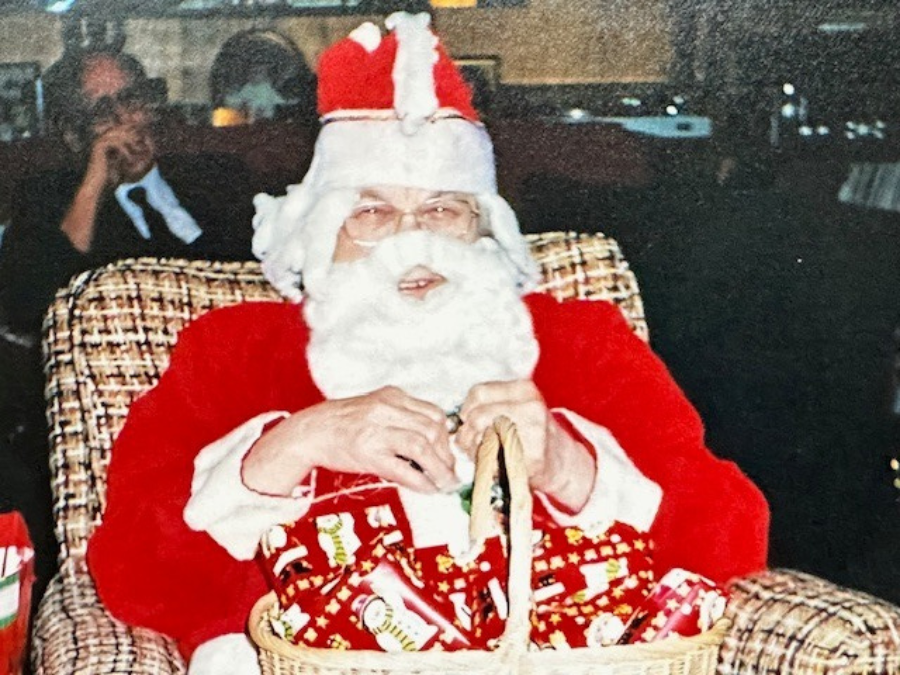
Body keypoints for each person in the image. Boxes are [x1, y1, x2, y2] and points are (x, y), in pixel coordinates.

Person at [87, 12, 769, 675]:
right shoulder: (233, 352)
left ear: (482, 229)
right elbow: (130, 571)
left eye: (443, 209)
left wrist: (570, 465)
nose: (413, 242)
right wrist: (290, 446)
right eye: (373, 211)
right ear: (322, 230)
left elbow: (734, 536)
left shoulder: (579, 341)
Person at [0, 48, 257, 338]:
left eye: (131, 101)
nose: (126, 121)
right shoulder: (42, 199)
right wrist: (93, 184)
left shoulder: (216, 175)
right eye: (102, 112)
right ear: (73, 135)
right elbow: (28, 311)